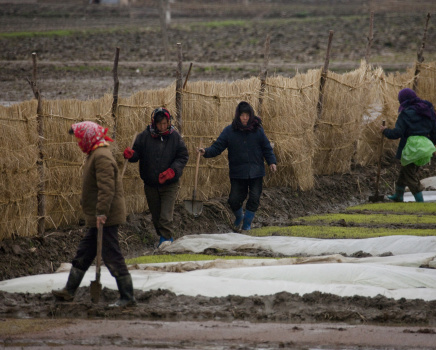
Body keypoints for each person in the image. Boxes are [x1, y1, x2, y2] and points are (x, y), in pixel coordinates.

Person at [52, 121, 136, 307]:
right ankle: (69, 290)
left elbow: (106, 188)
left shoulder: (102, 157)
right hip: (98, 216)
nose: (78, 142)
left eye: (80, 138)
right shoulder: (94, 154)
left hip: (106, 217)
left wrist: (101, 213)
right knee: (84, 252)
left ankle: (127, 297)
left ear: (88, 137)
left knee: (112, 255)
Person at [198, 101, 277, 231]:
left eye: (247, 115)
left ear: (251, 115)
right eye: (242, 115)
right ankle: (239, 217)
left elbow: (266, 148)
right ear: (238, 116)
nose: (245, 118)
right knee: (234, 200)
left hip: (256, 171)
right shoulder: (229, 131)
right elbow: (217, 147)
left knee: (254, 198)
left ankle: (246, 226)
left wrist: (272, 162)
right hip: (238, 172)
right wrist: (206, 152)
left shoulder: (258, 130)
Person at [123, 107, 189, 247]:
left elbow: (183, 156)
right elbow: (136, 154)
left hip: (169, 184)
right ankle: (164, 238)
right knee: (156, 217)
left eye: (165, 123)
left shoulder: (175, 137)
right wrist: (131, 154)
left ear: (169, 122)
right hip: (151, 184)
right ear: (154, 123)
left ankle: (166, 241)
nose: (163, 126)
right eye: (160, 124)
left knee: (165, 217)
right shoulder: (144, 137)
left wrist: (172, 171)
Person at [380, 88, 436, 202]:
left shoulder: (405, 114)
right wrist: (431, 144)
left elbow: (397, 133)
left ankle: (420, 201)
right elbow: (435, 132)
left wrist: (385, 131)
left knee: (409, 174)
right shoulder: (428, 110)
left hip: (411, 148)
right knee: (406, 171)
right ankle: (398, 195)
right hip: (425, 147)